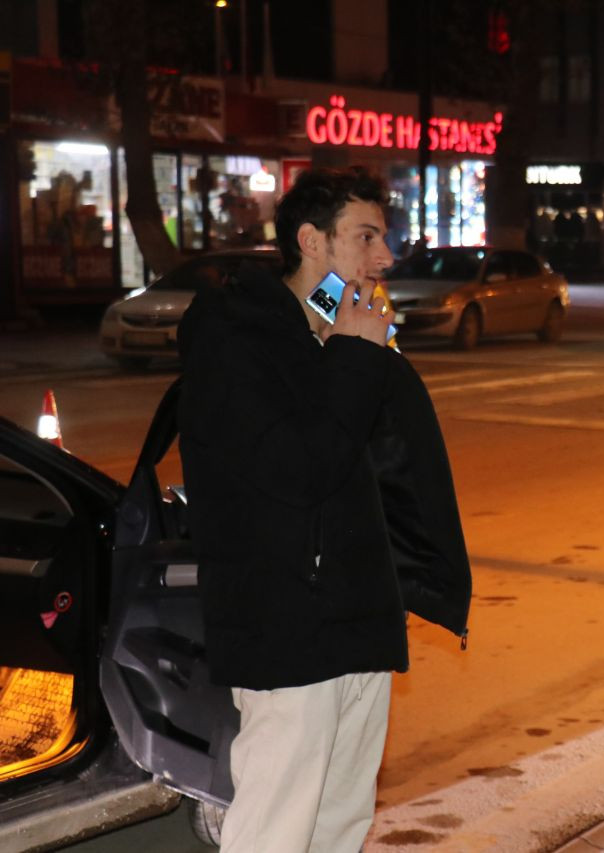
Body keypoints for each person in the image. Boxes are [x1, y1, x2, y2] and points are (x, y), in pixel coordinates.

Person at [177, 167, 471, 852]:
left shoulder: (346, 341)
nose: (385, 257)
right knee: (277, 831)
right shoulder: (238, 341)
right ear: (311, 241)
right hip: (286, 633)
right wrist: (354, 360)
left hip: (360, 623)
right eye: (365, 236)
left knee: (339, 827)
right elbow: (298, 470)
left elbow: (392, 476)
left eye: (384, 237)